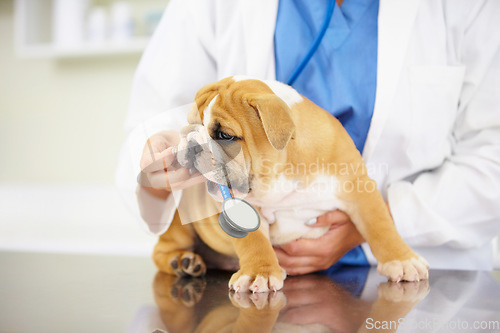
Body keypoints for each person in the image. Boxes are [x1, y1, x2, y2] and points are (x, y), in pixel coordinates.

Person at [116, 0, 500, 274]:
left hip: (434, 272)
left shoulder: (468, 7)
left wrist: (373, 222)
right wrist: (154, 168)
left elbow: (492, 154)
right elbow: (150, 124)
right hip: (242, 274)